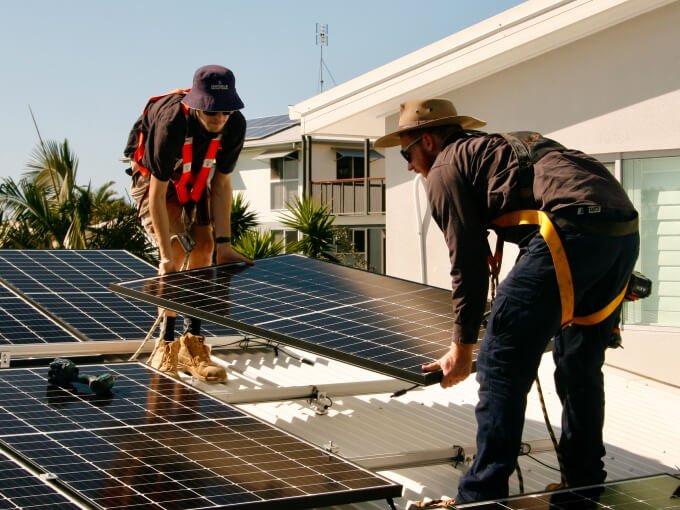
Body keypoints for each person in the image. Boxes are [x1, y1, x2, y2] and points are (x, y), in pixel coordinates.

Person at [374, 99, 639, 506]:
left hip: (566, 229)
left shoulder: (445, 167)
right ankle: (584, 485)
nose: (409, 165)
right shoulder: (493, 149)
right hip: (621, 232)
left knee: (500, 365)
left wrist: (462, 349)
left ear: (427, 141)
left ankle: (480, 497)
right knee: (579, 365)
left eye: (406, 153)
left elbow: (466, 265)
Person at [124, 65, 253, 383]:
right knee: (178, 249)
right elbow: (157, 193)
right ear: (196, 104)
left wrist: (224, 246)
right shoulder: (171, 125)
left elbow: (222, 185)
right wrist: (166, 257)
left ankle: (190, 343)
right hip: (157, 181)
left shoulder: (234, 124)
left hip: (198, 175)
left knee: (205, 248)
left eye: (225, 111)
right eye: (211, 111)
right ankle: (164, 344)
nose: (219, 118)